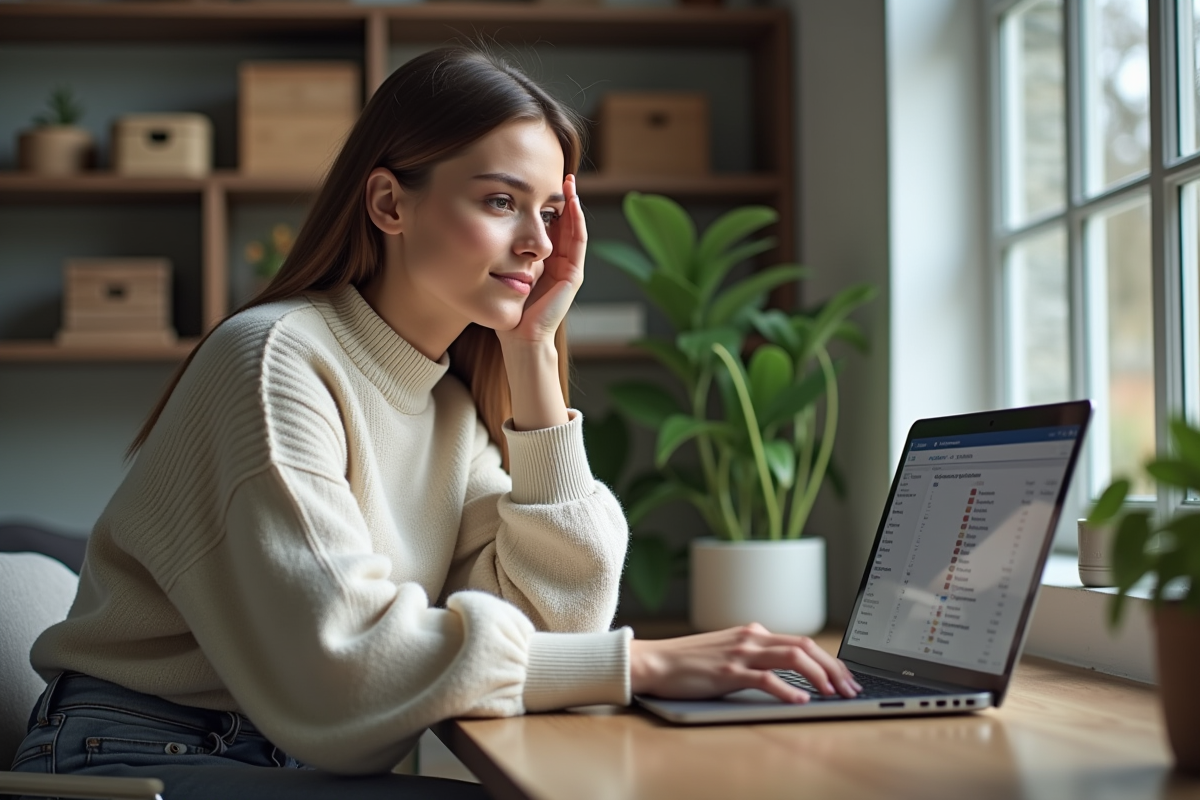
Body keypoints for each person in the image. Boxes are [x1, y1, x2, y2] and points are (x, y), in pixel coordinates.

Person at [11, 47, 860, 799]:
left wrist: (533, 355)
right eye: (501, 200)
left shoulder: (447, 407)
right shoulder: (274, 361)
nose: (538, 244)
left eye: (550, 213)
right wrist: (643, 663)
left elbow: (558, 625)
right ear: (389, 203)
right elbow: (346, 670)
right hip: (130, 761)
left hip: (271, 757)